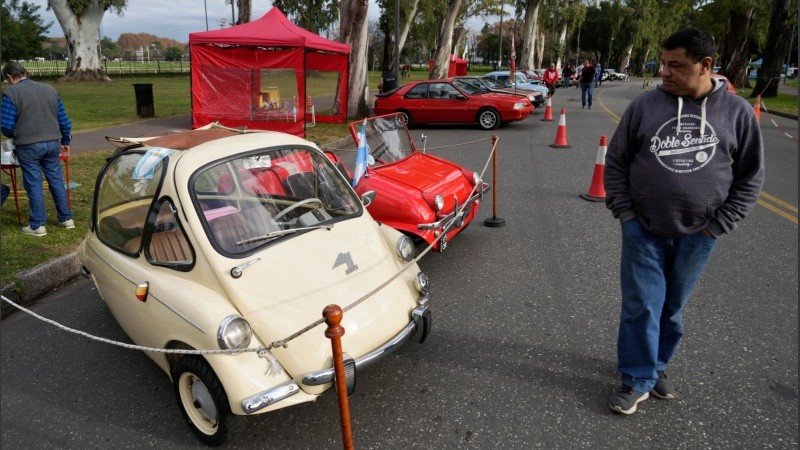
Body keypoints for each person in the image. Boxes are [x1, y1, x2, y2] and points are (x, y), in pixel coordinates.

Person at [603, 27, 764, 415]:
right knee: (642, 304)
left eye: (675, 66)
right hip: (643, 228)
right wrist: (626, 215)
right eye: (663, 64)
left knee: (671, 309)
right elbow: (616, 163)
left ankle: (656, 367)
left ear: (705, 65)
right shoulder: (645, 107)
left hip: (699, 234)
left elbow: (750, 177)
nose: (664, 72)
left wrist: (718, 225)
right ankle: (637, 379)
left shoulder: (738, 114)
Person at [1, 61, 74, 236]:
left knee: (33, 182)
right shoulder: (50, 89)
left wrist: (16, 135)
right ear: (25, 72)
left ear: (10, 77)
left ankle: (37, 225)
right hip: (53, 142)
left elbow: (6, 125)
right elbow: (63, 119)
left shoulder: (10, 93)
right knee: (56, 179)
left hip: (28, 145)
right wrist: (65, 140)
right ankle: (66, 218)